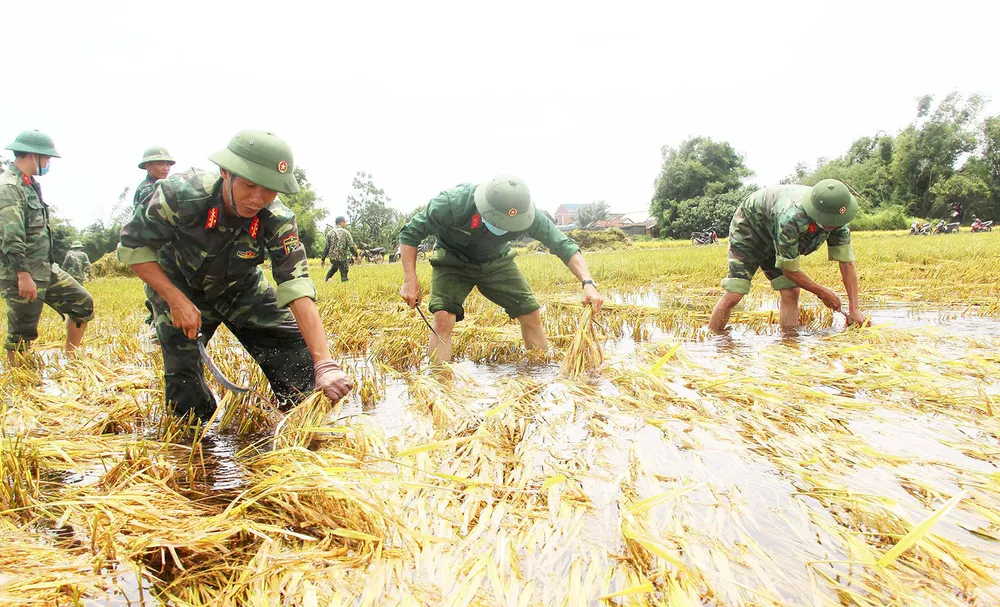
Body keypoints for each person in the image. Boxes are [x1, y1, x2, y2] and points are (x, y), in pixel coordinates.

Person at [117, 130, 353, 420]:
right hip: (178, 283)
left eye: (269, 189)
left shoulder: (277, 219)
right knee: (184, 380)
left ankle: (300, 420)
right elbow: (133, 248)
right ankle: (196, 434)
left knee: (293, 348)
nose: (257, 199)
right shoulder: (180, 195)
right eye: (249, 185)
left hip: (240, 285)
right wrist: (174, 300)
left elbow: (296, 285)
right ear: (225, 172)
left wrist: (325, 364)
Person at [398, 174, 603, 362]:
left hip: (496, 260)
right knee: (443, 318)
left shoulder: (529, 215)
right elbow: (411, 233)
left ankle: (538, 372)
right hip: (452, 259)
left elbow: (563, 245)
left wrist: (588, 283)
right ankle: (438, 383)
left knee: (530, 312)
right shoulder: (453, 202)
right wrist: (410, 279)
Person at [708, 179, 867, 331]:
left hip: (776, 229)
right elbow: (789, 270)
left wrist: (855, 309)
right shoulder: (791, 218)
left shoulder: (837, 218)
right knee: (735, 291)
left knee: (790, 291)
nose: (833, 224)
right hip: (751, 227)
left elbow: (847, 263)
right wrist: (823, 293)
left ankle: (788, 342)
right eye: (829, 221)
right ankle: (714, 337)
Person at [1, 130, 93, 364]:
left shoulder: (30, 184)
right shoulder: (9, 187)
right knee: (22, 332)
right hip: (22, 272)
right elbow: (12, 236)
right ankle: (18, 377)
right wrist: (23, 275)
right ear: (34, 155)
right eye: (47, 157)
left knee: (82, 303)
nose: (48, 162)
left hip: (45, 269)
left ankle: (72, 360)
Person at [321, 216, 358, 282]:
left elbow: (326, 247)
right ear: (341, 222)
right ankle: (344, 283)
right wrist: (356, 255)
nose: (345, 223)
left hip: (332, 258)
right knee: (344, 271)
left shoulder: (329, 233)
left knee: (334, 267)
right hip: (342, 257)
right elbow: (351, 246)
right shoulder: (346, 232)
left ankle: (326, 280)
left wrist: (323, 259)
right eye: (345, 222)